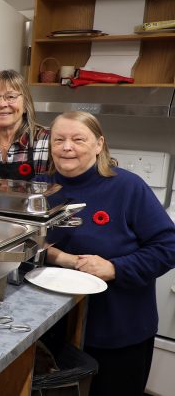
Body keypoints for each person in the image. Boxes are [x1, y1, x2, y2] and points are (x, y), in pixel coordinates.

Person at [40, 111, 175, 396]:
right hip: (55, 328)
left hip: (118, 331)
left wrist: (116, 268)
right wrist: (64, 259)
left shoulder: (127, 187)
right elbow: (31, 243)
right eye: (59, 139)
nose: (67, 147)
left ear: (99, 144)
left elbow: (168, 246)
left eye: (78, 139)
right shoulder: (42, 187)